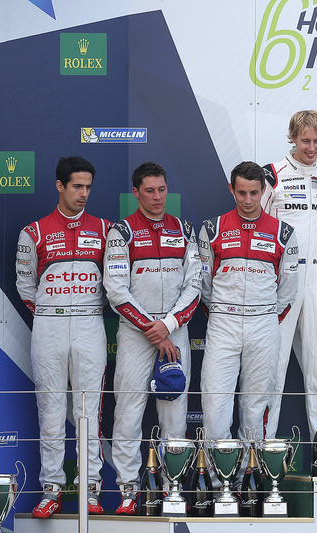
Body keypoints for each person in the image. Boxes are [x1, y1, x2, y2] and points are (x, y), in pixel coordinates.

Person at [103, 162, 202, 515]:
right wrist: (154, 330)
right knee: (128, 414)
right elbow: (116, 291)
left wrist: (170, 324)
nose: (157, 197)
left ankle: (171, 488)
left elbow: (195, 284)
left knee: (175, 415)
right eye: (149, 191)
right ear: (136, 192)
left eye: (162, 190)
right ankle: (129, 491)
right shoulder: (122, 232)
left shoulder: (184, 229)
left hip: (174, 332)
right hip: (136, 335)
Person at [16, 156, 110, 517]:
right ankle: (51, 489)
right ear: (60, 186)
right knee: (51, 411)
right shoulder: (34, 232)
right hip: (49, 325)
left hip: (89, 323)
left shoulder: (105, 229)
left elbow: (114, 285)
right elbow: (26, 287)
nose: (84, 193)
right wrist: (51, 314)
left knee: (88, 412)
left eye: (88, 187)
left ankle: (90, 490)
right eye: (76, 186)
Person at [200, 162, 299, 443]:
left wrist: (265, 317)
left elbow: (288, 288)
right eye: (241, 193)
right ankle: (219, 481)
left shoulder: (283, 232)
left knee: (255, 407)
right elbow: (203, 283)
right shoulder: (213, 228)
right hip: (223, 323)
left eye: (254, 193)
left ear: (263, 190)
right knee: (215, 406)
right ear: (231, 189)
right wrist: (221, 311)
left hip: (264, 324)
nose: (247, 200)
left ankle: (250, 476)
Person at [261, 110, 317, 434]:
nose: (311, 147)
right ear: (292, 137)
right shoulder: (272, 175)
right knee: (273, 369)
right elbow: (262, 228)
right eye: (305, 140)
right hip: (283, 278)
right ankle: (262, 455)